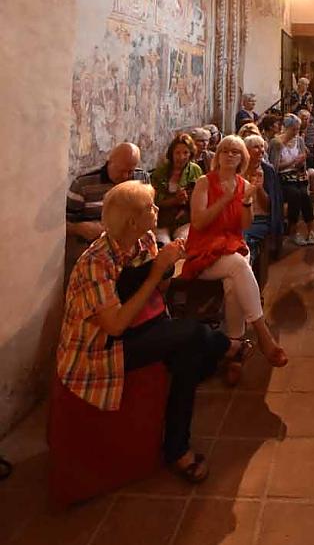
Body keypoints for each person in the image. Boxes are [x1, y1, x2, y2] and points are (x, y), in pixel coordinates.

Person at [57, 181, 240, 483]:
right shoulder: (95, 262)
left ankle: (177, 448)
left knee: (189, 351)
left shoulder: (144, 240)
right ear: (132, 221)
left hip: (136, 324)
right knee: (192, 334)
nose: (158, 210)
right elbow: (114, 325)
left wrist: (167, 266)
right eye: (150, 207)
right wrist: (157, 270)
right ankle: (229, 347)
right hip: (99, 349)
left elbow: (160, 289)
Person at [183, 136, 288, 378]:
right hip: (204, 250)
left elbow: (244, 225)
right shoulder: (204, 183)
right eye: (225, 151)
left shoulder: (242, 184)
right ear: (218, 155)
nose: (230, 155)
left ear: (242, 158)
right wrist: (225, 199)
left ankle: (234, 348)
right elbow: (198, 222)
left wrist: (248, 198)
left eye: (235, 152)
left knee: (233, 285)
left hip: (232, 245)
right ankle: (263, 334)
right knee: (239, 266)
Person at [65, 141, 150, 284]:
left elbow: (149, 212)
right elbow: (65, 225)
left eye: (130, 171)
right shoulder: (83, 184)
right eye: (121, 170)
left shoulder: (141, 178)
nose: (126, 176)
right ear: (109, 161)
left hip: (132, 245)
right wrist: (79, 228)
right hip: (95, 246)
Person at [269, 114, 314, 246]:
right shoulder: (276, 143)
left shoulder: (299, 141)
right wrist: (292, 162)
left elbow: (302, 162)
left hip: (298, 176)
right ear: (286, 128)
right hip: (282, 178)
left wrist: (301, 162)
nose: (296, 132)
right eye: (293, 129)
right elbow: (274, 167)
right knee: (295, 195)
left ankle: (310, 230)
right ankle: (292, 232)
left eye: (297, 129)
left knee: (305, 196)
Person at [242, 133, 283, 286]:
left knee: (245, 240)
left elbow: (270, 207)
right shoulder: (239, 170)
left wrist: (258, 189)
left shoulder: (268, 171)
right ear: (246, 151)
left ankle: (250, 284)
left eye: (262, 147)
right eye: (256, 147)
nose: (261, 151)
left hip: (259, 218)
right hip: (239, 216)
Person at [151, 134, 203, 245]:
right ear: (172, 153)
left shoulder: (195, 170)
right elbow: (153, 200)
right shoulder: (160, 172)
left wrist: (186, 204)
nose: (181, 157)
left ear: (190, 154)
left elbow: (201, 198)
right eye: (177, 153)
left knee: (183, 243)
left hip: (185, 221)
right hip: (162, 220)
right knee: (164, 245)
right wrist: (174, 200)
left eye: (185, 153)